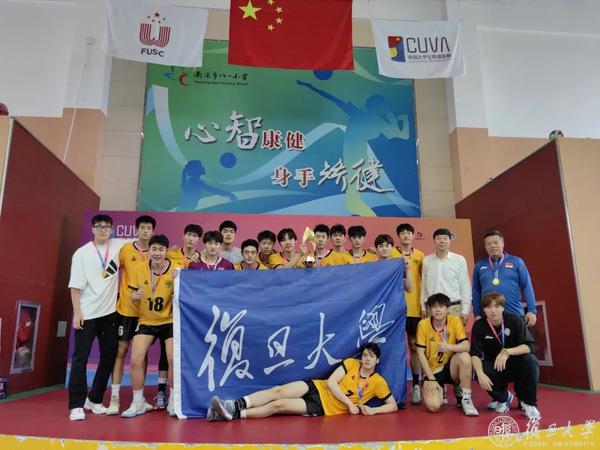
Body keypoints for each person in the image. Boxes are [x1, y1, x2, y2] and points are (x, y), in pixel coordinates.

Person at [207, 343, 397, 421]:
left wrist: (373, 410)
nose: (367, 359)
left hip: (323, 406)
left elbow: (393, 405)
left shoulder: (378, 382)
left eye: (371, 356)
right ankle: (233, 405)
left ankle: (232, 415)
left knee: (278, 405)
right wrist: (350, 405)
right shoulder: (351, 363)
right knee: (278, 391)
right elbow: (331, 382)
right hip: (317, 386)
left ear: (377, 360)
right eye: (365, 355)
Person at [67, 214, 127, 421]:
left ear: (111, 229)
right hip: (87, 313)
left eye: (107, 226)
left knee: (109, 357)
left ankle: (94, 399)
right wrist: (77, 312)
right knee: (80, 359)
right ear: (93, 229)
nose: (103, 229)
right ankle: (76, 404)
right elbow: (75, 287)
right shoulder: (82, 253)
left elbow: (143, 242)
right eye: (99, 226)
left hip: (110, 313)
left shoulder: (119, 245)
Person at [121, 235, 185, 418]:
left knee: (173, 358)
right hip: (146, 321)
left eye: (161, 250)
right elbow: (132, 295)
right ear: (149, 251)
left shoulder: (176, 269)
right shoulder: (140, 269)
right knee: (136, 359)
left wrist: (179, 283)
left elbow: (189, 286)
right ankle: (138, 402)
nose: (157, 253)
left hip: (169, 320)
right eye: (154, 249)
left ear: (166, 252)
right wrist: (135, 296)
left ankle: (173, 401)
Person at [109, 215, 158, 415]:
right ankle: (114, 397)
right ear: (137, 230)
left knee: (141, 354)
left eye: (149, 228)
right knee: (121, 351)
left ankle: (140, 398)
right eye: (142, 227)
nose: (145, 231)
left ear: (153, 231)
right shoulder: (125, 250)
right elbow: (108, 273)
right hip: (126, 310)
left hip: (146, 312)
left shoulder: (157, 252)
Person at [471, 292, 541, 420]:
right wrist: (480, 374)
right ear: (484, 309)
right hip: (495, 366)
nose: (493, 311)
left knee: (530, 361)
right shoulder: (479, 326)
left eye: (497, 306)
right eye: (489, 307)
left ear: (503, 307)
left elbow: (529, 346)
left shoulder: (514, 320)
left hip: (516, 364)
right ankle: (503, 398)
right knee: (477, 369)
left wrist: (507, 352)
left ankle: (528, 403)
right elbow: (475, 354)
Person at [415, 294, 478, 416]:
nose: (437, 310)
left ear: (447, 309)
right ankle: (440, 390)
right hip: (433, 371)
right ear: (429, 309)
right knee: (433, 406)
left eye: (441, 306)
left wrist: (448, 347)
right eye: (434, 307)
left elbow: (466, 346)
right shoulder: (423, 325)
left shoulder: (455, 321)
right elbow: (420, 354)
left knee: (465, 357)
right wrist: (431, 378)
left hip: (450, 367)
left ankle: (466, 398)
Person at [472, 230, 537, 327]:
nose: (492, 246)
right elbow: (476, 291)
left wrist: (532, 310)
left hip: (514, 313)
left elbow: (526, 286)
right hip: (489, 316)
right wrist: (477, 314)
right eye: (489, 244)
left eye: (496, 242)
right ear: (485, 247)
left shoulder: (516, 262)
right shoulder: (479, 265)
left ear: (502, 243)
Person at [391, 223, 425, 404]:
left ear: (413, 235)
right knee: (395, 348)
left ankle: (416, 385)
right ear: (398, 236)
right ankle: (395, 386)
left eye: (408, 233)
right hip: (395, 309)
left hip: (414, 308)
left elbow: (424, 280)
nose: (405, 235)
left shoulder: (420, 255)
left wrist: (424, 304)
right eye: (402, 233)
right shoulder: (391, 253)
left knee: (414, 346)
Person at [421, 229, 471, 325]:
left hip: (454, 308)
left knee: (455, 335)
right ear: (434, 241)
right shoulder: (427, 260)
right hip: (432, 309)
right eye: (438, 238)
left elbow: (465, 286)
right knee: (433, 334)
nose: (442, 241)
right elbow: (423, 286)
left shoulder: (459, 260)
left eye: (445, 238)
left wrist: (465, 310)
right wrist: (423, 307)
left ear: (450, 240)